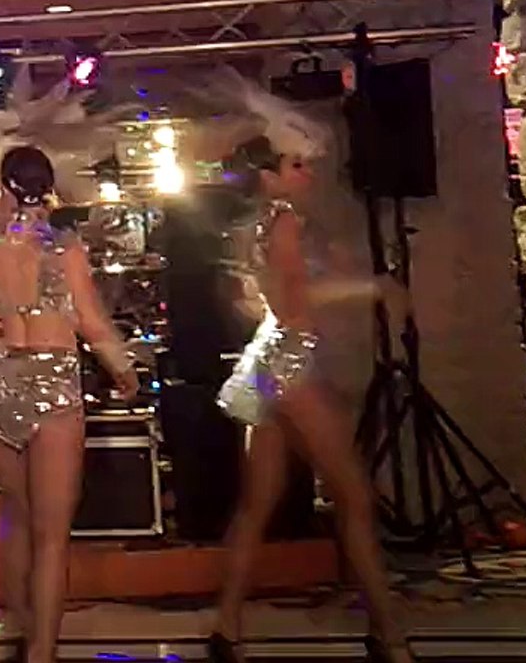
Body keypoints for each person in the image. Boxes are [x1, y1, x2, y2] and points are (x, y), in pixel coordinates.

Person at [205, 88, 414, 663]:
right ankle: (390, 636)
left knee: (257, 505)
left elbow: (259, 301)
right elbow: (297, 300)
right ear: (269, 177)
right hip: (290, 362)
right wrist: (373, 286)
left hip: (266, 361)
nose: (308, 173)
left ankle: (227, 628)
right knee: (354, 497)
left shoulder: (253, 226)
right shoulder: (284, 221)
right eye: (296, 165)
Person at [0, 146, 139, 663]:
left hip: (5, 384)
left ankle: (22, 627)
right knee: (53, 536)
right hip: (55, 385)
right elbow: (92, 322)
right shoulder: (64, 247)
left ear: (5, 186)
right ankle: (42, 652)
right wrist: (124, 370)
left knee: (17, 516)